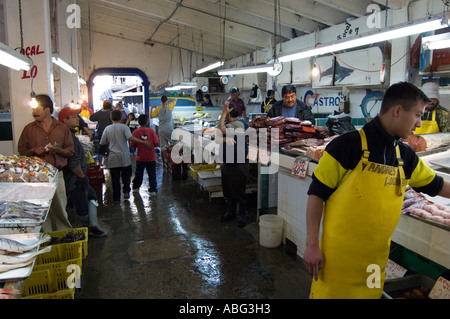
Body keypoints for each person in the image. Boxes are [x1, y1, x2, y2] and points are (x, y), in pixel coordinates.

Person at [303, 82, 450, 299]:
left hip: (375, 264)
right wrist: (312, 244)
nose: (419, 123)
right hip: (336, 261)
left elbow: (437, 185)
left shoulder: (405, 157)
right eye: (418, 115)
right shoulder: (346, 146)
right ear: (398, 110)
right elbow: (316, 195)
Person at [18, 94, 74, 232]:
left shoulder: (62, 128)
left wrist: (58, 150)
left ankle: (64, 235)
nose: (34, 112)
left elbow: (70, 151)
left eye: (37, 109)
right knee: (42, 209)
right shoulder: (29, 129)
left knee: (60, 208)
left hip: (56, 174)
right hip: (36, 176)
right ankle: (47, 237)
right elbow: (21, 151)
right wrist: (33, 150)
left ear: (47, 110)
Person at [58, 106, 108, 237]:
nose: (77, 119)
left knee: (90, 197)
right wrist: (82, 177)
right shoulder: (69, 138)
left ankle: (92, 226)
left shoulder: (68, 135)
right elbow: (73, 162)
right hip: (76, 178)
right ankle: (89, 229)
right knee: (82, 204)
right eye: (74, 117)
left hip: (76, 177)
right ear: (65, 120)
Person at [100, 109, 150, 202]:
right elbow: (131, 138)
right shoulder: (124, 127)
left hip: (113, 158)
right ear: (121, 117)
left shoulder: (107, 128)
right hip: (124, 157)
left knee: (115, 179)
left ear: (111, 118)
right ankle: (126, 191)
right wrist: (143, 142)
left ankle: (116, 198)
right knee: (126, 177)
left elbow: (103, 142)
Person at [216, 101, 249, 228]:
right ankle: (230, 212)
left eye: (225, 114)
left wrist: (224, 112)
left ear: (229, 114)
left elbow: (220, 130)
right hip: (228, 162)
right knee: (228, 190)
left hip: (238, 163)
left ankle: (242, 215)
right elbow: (218, 136)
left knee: (239, 190)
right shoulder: (230, 123)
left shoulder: (239, 124)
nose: (223, 117)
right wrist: (225, 139)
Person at [131, 114, 159, 196]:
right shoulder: (151, 131)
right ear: (147, 122)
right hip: (151, 157)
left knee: (138, 174)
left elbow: (132, 145)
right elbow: (156, 143)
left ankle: (136, 188)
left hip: (140, 157)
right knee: (152, 174)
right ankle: (153, 190)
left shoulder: (135, 132)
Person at [90, 100, 113, 164]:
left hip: (101, 132)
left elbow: (91, 118)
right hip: (110, 132)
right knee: (109, 147)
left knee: (101, 147)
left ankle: (100, 163)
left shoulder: (99, 113)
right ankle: (109, 162)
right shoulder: (111, 113)